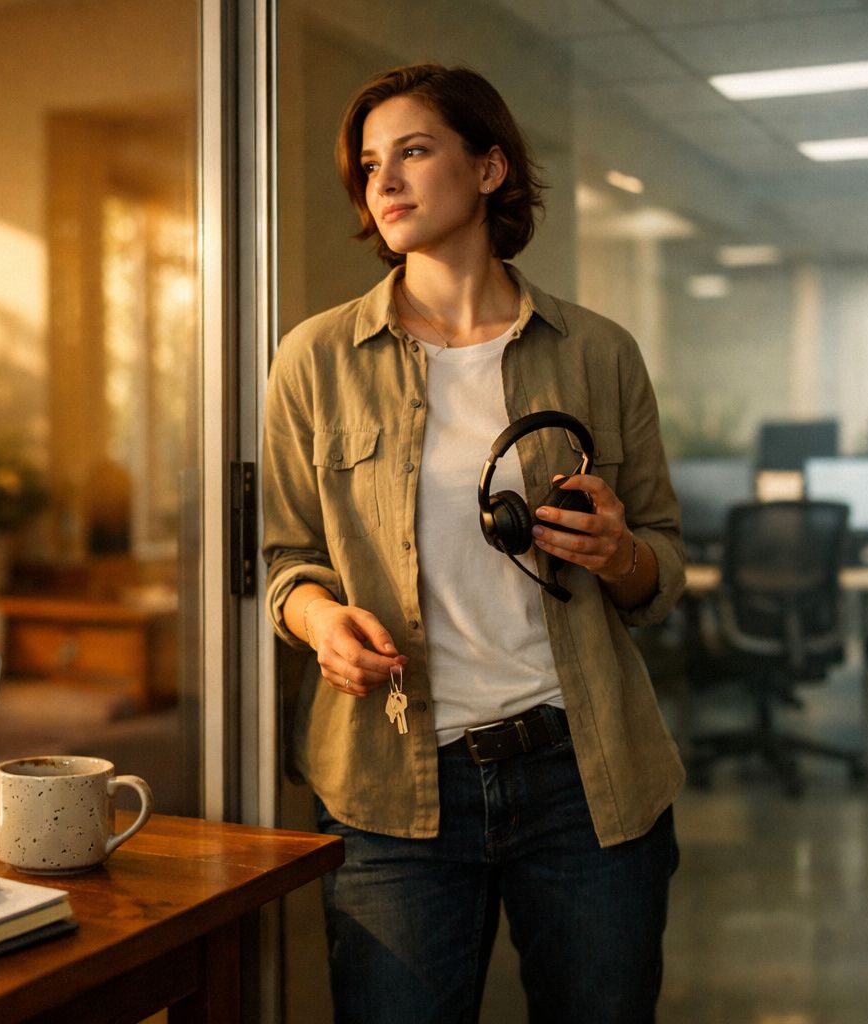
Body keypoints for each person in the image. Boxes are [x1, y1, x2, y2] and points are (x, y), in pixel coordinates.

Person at [261, 64, 686, 1023]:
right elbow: (286, 557)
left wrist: (618, 552)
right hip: (393, 786)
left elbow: (661, 562)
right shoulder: (316, 358)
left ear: (490, 169)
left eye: (413, 151)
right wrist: (321, 621)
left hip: (586, 776)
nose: (384, 180)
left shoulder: (598, 351)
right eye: (370, 163)